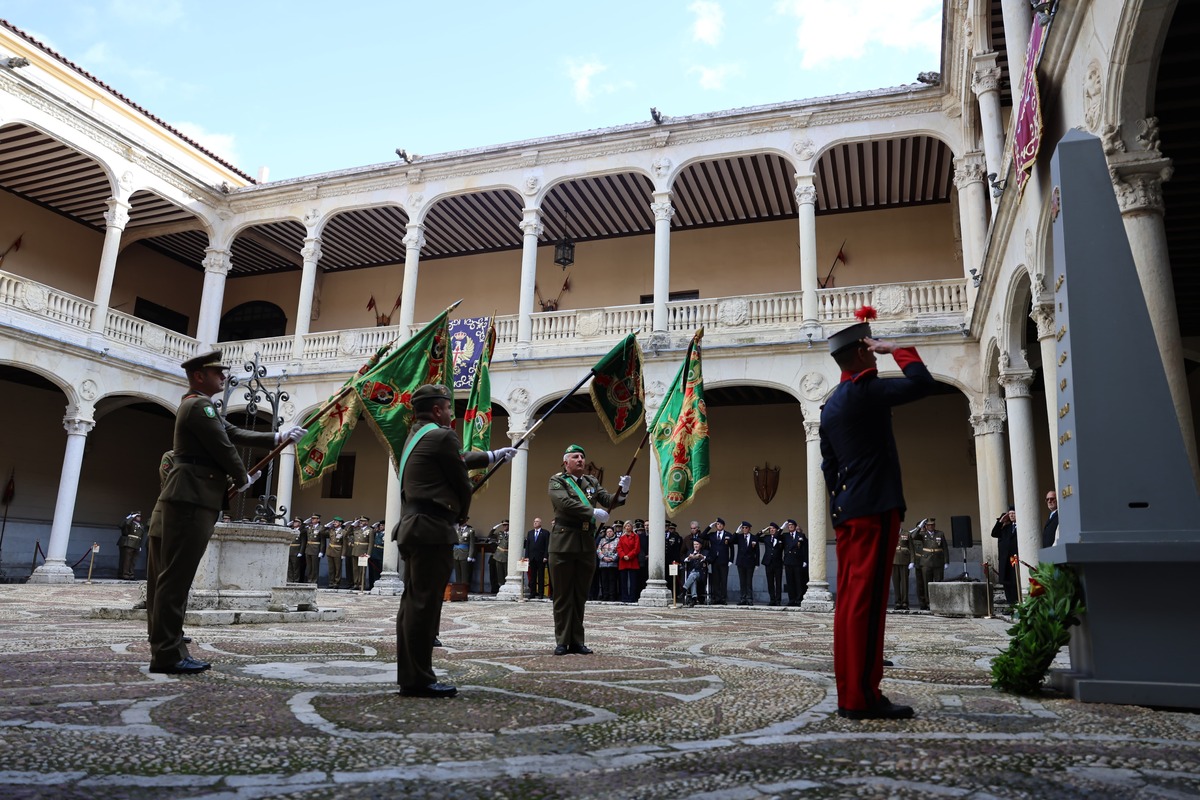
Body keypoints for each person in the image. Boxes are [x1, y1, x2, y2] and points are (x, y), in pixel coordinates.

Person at [149, 350, 305, 675]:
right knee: (175, 580)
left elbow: (232, 434)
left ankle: (169, 644)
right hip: (192, 500)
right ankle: (167, 653)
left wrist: (278, 436)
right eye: (217, 372)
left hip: (193, 498)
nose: (223, 377)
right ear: (198, 376)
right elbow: (224, 446)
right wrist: (241, 476)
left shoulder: (201, 406)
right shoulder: (199, 405)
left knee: (172, 579)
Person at [819, 311, 932, 720]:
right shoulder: (866, 390)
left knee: (850, 603)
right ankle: (862, 697)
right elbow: (923, 383)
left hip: (849, 512)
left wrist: (841, 507)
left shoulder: (830, 406)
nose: (877, 355)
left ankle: (852, 691)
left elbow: (829, 468)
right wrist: (897, 349)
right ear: (864, 355)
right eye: (872, 348)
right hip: (876, 509)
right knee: (868, 606)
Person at [393, 383, 516, 698]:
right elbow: (461, 482)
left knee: (413, 604)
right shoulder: (442, 435)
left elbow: (456, 459)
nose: (451, 413)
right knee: (425, 605)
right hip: (432, 529)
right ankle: (419, 679)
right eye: (449, 408)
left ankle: (411, 674)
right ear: (437, 410)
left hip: (415, 527)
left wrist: (491, 455)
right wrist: (461, 512)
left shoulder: (416, 436)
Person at [547, 444, 629, 655]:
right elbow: (564, 504)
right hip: (564, 543)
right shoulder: (557, 481)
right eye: (575, 457)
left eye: (582, 456)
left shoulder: (591, 482)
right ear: (566, 462)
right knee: (563, 595)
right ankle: (562, 641)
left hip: (585, 543)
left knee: (580, 595)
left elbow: (608, 501)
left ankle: (577, 641)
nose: (581, 460)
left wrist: (623, 491)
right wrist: (592, 512)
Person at [914, 517, 949, 610]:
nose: (931, 527)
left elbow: (945, 548)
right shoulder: (922, 534)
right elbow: (913, 536)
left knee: (939, 582)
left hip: (938, 562)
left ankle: (939, 601)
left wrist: (946, 561)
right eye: (929, 525)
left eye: (932, 525)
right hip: (926, 562)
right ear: (926, 526)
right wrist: (919, 527)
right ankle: (928, 602)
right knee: (926, 583)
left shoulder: (940, 533)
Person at [991, 507, 1019, 606]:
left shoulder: (1019, 526)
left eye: (1013, 513)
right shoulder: (1005, 528)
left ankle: (1017, 602)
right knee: (1007, 582)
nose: (1011, 515)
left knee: (1015, 580)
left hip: (1014, 558)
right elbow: (994, 533)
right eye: (1010, 513)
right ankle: (1010, 603)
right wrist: (1000, 521)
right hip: (1005, 559)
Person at [702, 518, 732, 605]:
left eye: (721, 524)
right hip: (714, 560)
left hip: (724, 560)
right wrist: (709, 527)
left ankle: (723, 599)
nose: (719, 526)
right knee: (716, 580)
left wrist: (731, 560)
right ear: (715, 526)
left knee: (723, 580)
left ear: (723, 525)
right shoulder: (712, 535)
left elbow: (732, 548)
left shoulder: (728, 534)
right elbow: (702, 536)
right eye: (717, 524)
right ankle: (716, 598)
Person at [782, 519, 809, 606]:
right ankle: (791, 600)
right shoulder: (785, 535)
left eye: (792, 525)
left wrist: (805, 560)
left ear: (795, 526)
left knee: (798, 582)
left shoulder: (801, 535)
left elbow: (804, 549)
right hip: (788, 561)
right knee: (790, 582)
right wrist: (782, 527)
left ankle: (798, 599)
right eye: (789, 526)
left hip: (798, 561)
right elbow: (776, 536)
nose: (790, 527)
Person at [733, 520, 759, 605]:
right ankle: (742, 598)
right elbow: (731, 541)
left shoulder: (754, 537)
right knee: (742, 581)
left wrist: (757, 563)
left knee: (749, 581)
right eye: (743, 528)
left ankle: (749, 598)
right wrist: (737, 531)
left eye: (746, 528)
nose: (744, 529)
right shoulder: (739, 537)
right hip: (741, 562)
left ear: (749, 529)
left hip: (750, 562)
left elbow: (757, 551)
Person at [892, 522, 916, 610]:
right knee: (896, 583)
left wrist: (912, 561)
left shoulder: (906, 534)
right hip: (894, 561)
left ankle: (905, 602)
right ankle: (897, 602)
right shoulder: (891, 533)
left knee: (904, 583)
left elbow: (911, 548)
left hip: (905, 561)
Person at [760, 522, 784, 606]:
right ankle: (772, 599)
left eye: (773, 528)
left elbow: (778, 536)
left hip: (778, 563)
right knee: (770, 582)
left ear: (776, 530)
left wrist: (780, 530)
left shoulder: (781, 537)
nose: (771, 530)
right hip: (768, 563)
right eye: (770, 529)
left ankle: (778, 600)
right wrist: (763, 531)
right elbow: (756, 537)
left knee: (778, 582)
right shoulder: (766, 538)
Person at [617, 520, 641, 603]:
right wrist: (623, 556)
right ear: (624, 527)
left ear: (632, 527)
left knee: (632, 581)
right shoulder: (622, 537)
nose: (628, 528)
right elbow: (619, 548)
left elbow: (636, 548)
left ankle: (632, 597)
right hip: (623, 560)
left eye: (629, 526)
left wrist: (629, 556)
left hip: (632, 560)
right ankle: (624, 597)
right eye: (626, 526)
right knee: (623, 581)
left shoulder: (636, 536)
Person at [116, 511, 145, 580]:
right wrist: (130, 517)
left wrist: (140, 545)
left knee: (133, 561)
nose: (139, 518)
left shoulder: (141, 525)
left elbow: (141, 536)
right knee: (127, 560)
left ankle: (131, 574)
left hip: (136, 544)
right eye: (137, 516)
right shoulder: (130, 523)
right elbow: (124, 524)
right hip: (130, 543)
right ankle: (125, 574)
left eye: (140, 516)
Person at [525, 517, 549, 598]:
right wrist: (527, 556)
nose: (535, 523)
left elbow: (547, 546)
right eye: (534, 521)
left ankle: (541, 593)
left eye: (537, 521)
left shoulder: (545, 533)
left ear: (540, 523)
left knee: (541, 576)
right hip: (532, 557)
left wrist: (546, 556)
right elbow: (527, 546)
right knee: (533, 576)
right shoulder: (530, 533)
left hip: (541, 558)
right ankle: (533, 592)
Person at [682, 538, 708, 607]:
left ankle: (684, 590)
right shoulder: (690, 552)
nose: (695, 546)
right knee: (692, 578)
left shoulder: (705, 552)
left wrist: (702, 557)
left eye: (697, 544)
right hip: (691, 574)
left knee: (693, 575)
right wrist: (689, 558)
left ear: (700, 545)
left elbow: (709, 559)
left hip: (700, 574)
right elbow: (684, 560)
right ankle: (694, 598)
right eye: (694, 544)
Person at [596, 526, 619, 601]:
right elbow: (598, 550)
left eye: (610, 531)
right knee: (604, 581)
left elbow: (619, 551)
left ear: (613, 532)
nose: (609, 533)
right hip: (603, 564)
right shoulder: (602, 540)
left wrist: (613, 558)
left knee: (612, 580)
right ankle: (605, 595)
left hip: (613, 564)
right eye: (607, 532)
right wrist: (603, 557)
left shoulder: (617, 540)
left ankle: (612, 596)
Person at [302, 513, 323, 583]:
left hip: (315, 549)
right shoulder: (309, 527)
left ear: (318, 520)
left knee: (315, 566)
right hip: (308, 549)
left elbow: (322, 541)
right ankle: (309, 579)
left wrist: (321, 551)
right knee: (309, 566)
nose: (312, 520)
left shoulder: (321, 528)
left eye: (314, 519)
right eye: (312, 519)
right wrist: (305, 523)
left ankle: (314, 580)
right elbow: (301, 530)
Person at [489, 520, 510, 594]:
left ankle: (507, 588)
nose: (505, 527)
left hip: (508, 555)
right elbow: (490, 535)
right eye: (503, 525)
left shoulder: (512, 533)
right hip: (499, 555)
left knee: (506, 573)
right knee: (499, 573)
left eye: (506, 525)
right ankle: (501, 587)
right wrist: (496, 526)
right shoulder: (499, 533)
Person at [287, 517, 306, 583]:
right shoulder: (291, 530)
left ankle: (296, 580)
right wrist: (288, 524)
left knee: (296, 567)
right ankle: (290, 580)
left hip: (296, 550)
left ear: (300, 523)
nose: (294, 523)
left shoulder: (302, 531)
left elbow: (303, 542)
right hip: (290, 550)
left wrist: (301, 552)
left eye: (296, 522)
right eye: (294, 522)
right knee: (289, 567)